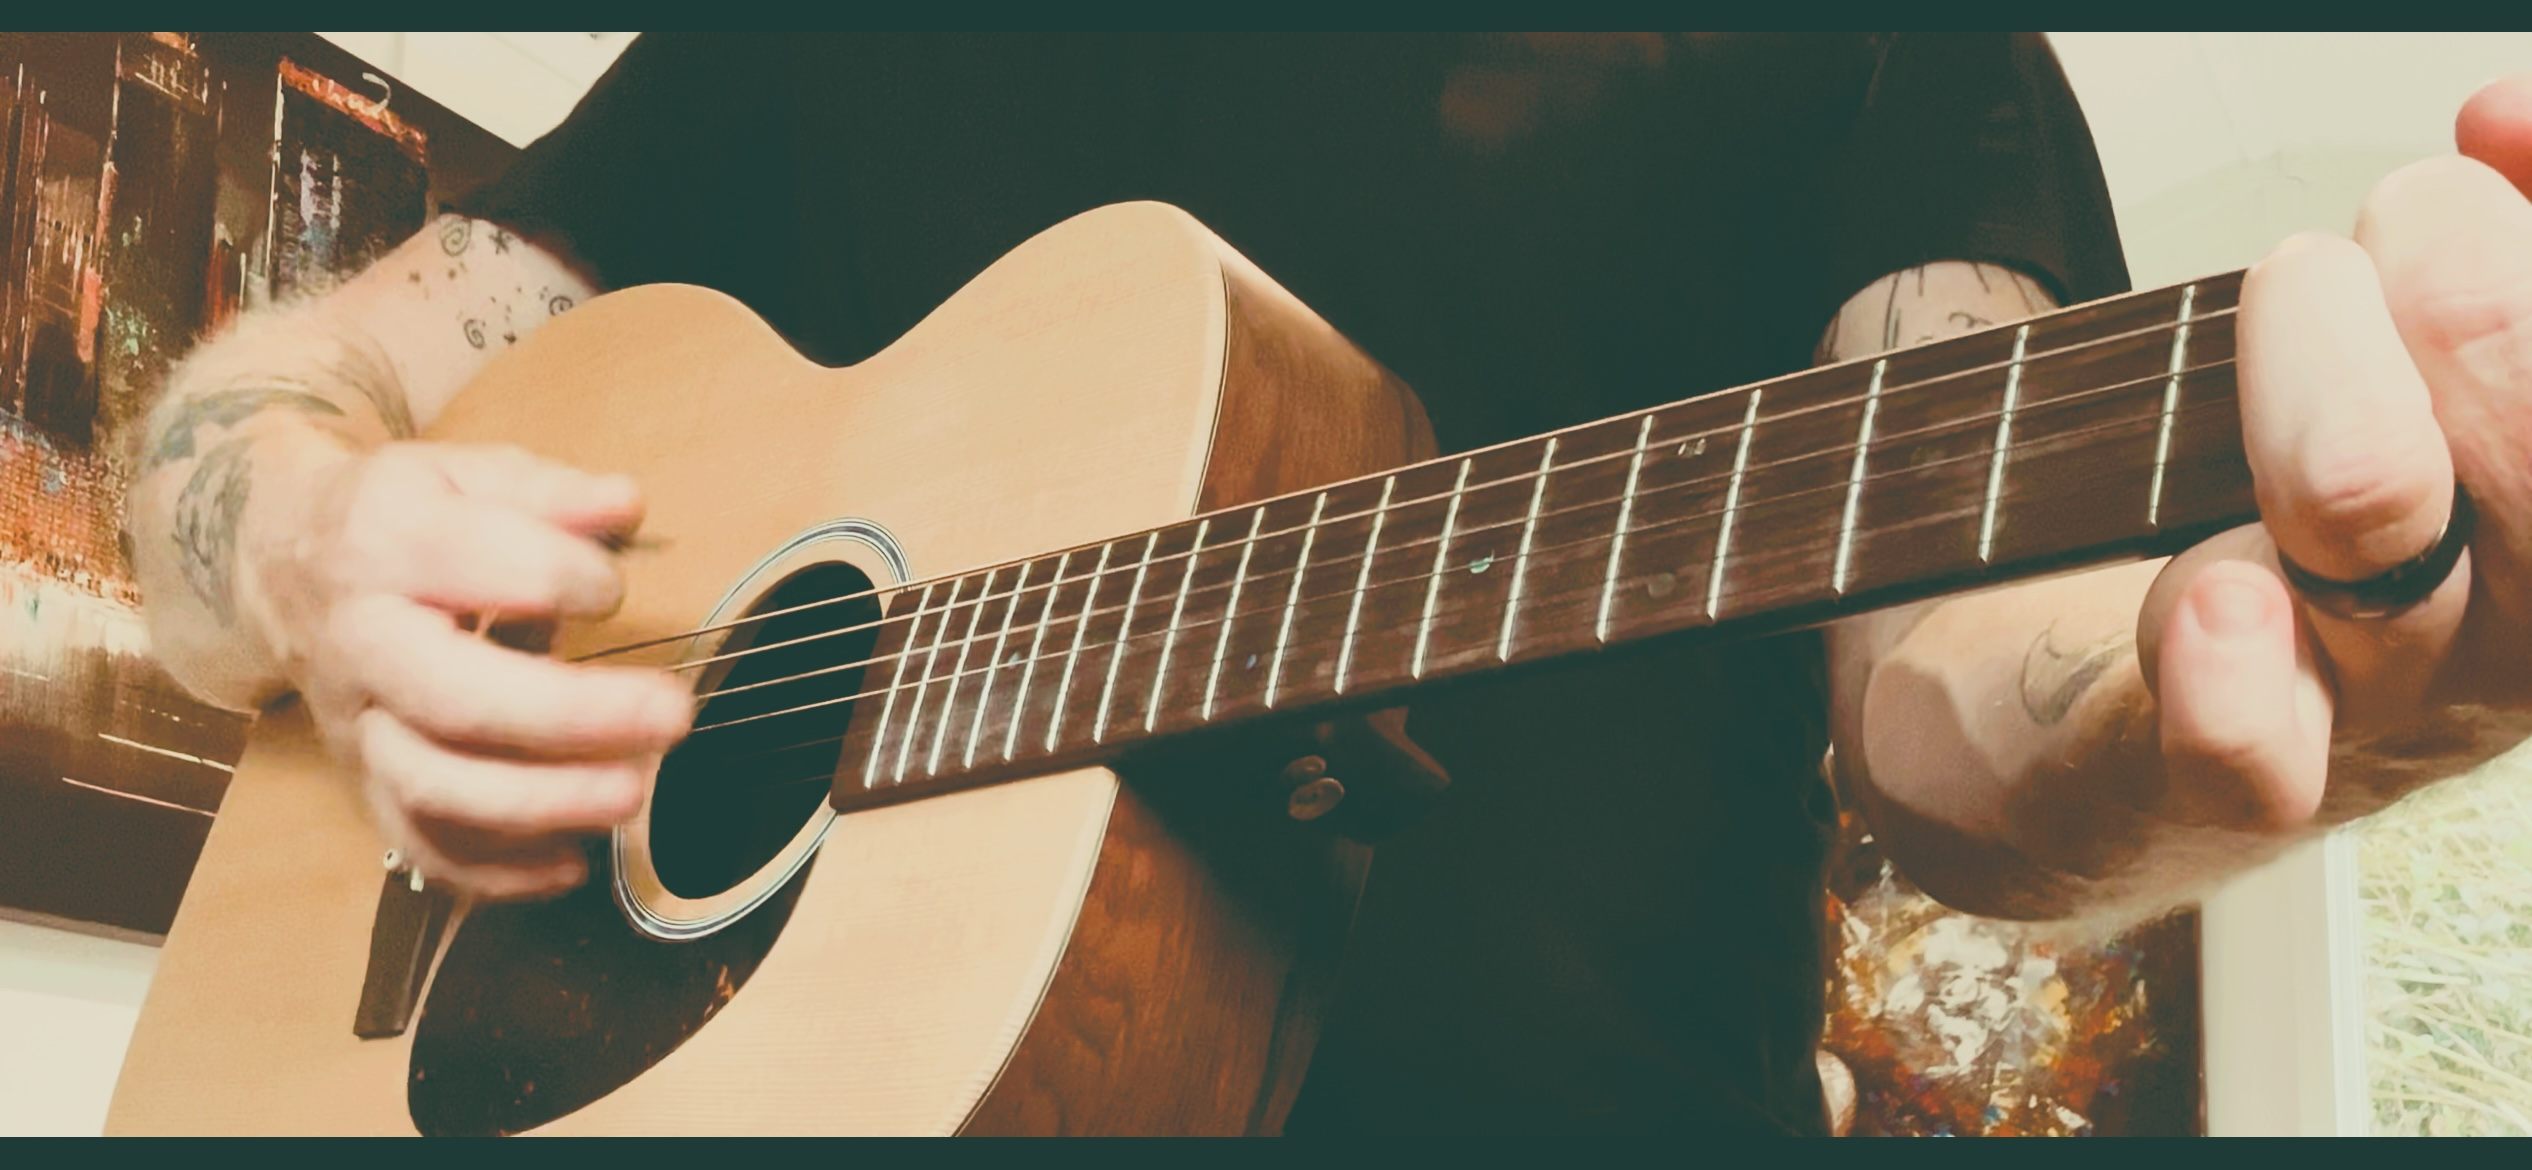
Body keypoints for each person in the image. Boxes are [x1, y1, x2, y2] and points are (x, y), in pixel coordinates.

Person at [120, 33, 2532, 1134]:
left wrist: (2248, 716)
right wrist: (315, 535)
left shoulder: (1881, 56)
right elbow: (268, 411)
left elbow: (1961, 706)